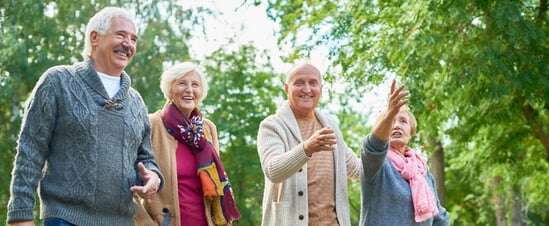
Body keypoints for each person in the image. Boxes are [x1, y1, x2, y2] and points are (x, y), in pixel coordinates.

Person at [6, 7, 163, 226]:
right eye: (121, 35)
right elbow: (30, 151)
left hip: (123, 221)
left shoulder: (136, 101)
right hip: (65, 219)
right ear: (94, 38)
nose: (128, 44)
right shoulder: (57, 81)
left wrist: (153, 177)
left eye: (133, 38)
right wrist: (20, 216)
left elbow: (146, 159)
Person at [133, 62, 240, 226]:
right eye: (182, 83)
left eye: (195, 85)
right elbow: (127, 184)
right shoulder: (151, 124)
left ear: (201, 92)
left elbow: (217, 187)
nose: (189, 90)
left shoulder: (207, 129)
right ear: (169, 90)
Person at [256, 62, 362, 226]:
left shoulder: (330, 126)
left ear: (321, 88)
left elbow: (357, 171)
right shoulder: (272, 125)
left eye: (313, 83)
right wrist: (307, 148)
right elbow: (273, 171)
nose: (307, 89)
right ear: (286, 88)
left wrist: (386, 135)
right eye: (299, 83)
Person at [360, 80, 449, 226]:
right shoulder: (376, 165)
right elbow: (372, 147)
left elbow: (439, 217)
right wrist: (389, 113)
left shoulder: (422, 171)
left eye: (403, 121)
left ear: (411, 132)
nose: (396, 126)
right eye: (391, 121)